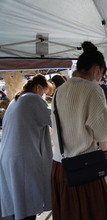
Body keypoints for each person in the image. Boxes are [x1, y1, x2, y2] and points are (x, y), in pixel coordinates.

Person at [50, 41, 107, 220]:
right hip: (82, 167)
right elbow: (104, 133)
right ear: (97, 69)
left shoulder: (60, 90)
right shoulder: (92, 88)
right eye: (102, 74)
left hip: (59, 165)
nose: (101, 79)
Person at [0, 74, 53, 220]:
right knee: (26, 202)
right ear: (37, 88)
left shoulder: (16, 101)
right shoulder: (32, 99)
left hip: (9, 157)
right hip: (21, 158)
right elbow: (54, 119)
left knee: (18, 203)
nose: (44, 97)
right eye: (44, 93)